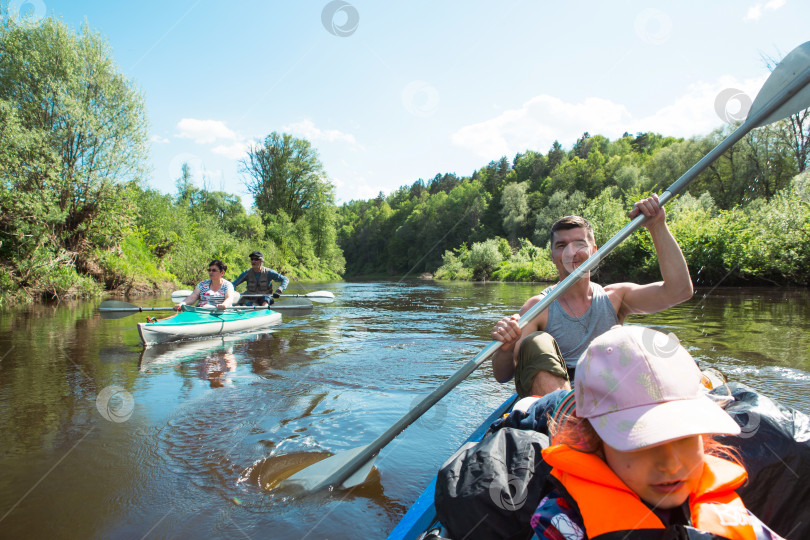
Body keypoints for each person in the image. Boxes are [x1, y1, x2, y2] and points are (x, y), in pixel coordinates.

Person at [531, 325, 785, 539]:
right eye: (643, 443)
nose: (672, 465)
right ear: (592, 440)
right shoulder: (560, 523)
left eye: (685, 438)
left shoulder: (729, 513)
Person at [491, 195, 694, 398]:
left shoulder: (615, 297)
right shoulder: (538, 307)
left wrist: (657, 225)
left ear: (594, 251)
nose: (572, 253)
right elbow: (503, 375)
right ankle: (566, 417)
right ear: (553, 255)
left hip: (607, 391)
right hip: (559, 399)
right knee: (537, 341)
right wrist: (505, 349)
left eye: (580, 244)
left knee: (648, 337)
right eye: (562, 246)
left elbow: (679, 291)